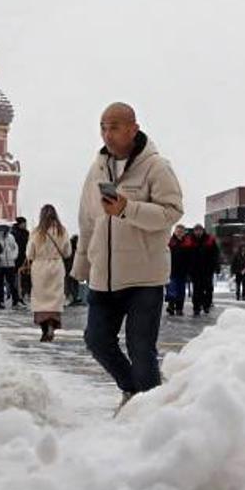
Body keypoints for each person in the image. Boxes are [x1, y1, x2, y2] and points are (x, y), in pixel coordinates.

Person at [72, 102, 183, 414]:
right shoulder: (97, 169)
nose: (108, 134)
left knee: (141, 349)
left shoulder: (156, 167)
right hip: (104, 276)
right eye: (103, 127)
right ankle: (133, 391)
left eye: (115, 127)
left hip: (144, 277)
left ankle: (153, 413)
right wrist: (82, 264)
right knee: (96, 340)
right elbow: (87, 220)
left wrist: (127, 209)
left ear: (134, 128)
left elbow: (171, 212)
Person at [26, 204, 71, 342]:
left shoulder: (36, 232)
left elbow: (30, 253)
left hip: (40, 267)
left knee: (41, 299)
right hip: (56, 267)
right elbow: (67, 252)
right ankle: (52, 323)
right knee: (54, 298)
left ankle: (45, 329)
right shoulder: (62, 231)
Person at [190, 223, 220, 316]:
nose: (198, 232)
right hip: (195, 270)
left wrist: (215, 266)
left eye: (200, 230)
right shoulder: (190, 240)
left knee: (208, 289)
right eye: (196, 230)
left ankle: (206, 305)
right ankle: (196, 307)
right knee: (197, 290)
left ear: (203, 231)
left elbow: (216, 254)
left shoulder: (210, 239)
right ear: (194, 231)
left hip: (207, 269)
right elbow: (187, 255)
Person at [166, 224, 194, 316]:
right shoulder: (170, 241)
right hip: (171, 270)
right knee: (171, 289)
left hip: (183, 272)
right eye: (178, 231)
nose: (179, 233)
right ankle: (171, 306)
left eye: (181, 231)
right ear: (175, 231)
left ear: (184, 232)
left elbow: (190, 258)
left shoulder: (187, 243)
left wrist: (189, 270)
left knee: (181, 291)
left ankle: (179, 308)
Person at [0, 224, 24, 308]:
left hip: (10, 264)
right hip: (0, 264)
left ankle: (15, 301)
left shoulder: (11, 237)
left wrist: (13, 257)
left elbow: (15, 248)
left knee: (12, 283)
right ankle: (0, 301)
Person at [12, 216, 32, 300]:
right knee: (16, 277)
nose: (25, 225)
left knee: (26, 277)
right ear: (19, 224)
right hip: (16, 257)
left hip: (25, 257)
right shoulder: (13, 233)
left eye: (25, 223)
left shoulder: (27, 233)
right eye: (24, 223)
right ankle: (17, 295)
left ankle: (24, 293)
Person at [64, 234, 82, 306]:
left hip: (69, 269)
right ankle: (73, 297)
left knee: (70, 283)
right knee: (71, 283)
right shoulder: (74, 250)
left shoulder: (70, 249)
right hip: (71, 268)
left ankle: (72, 297)